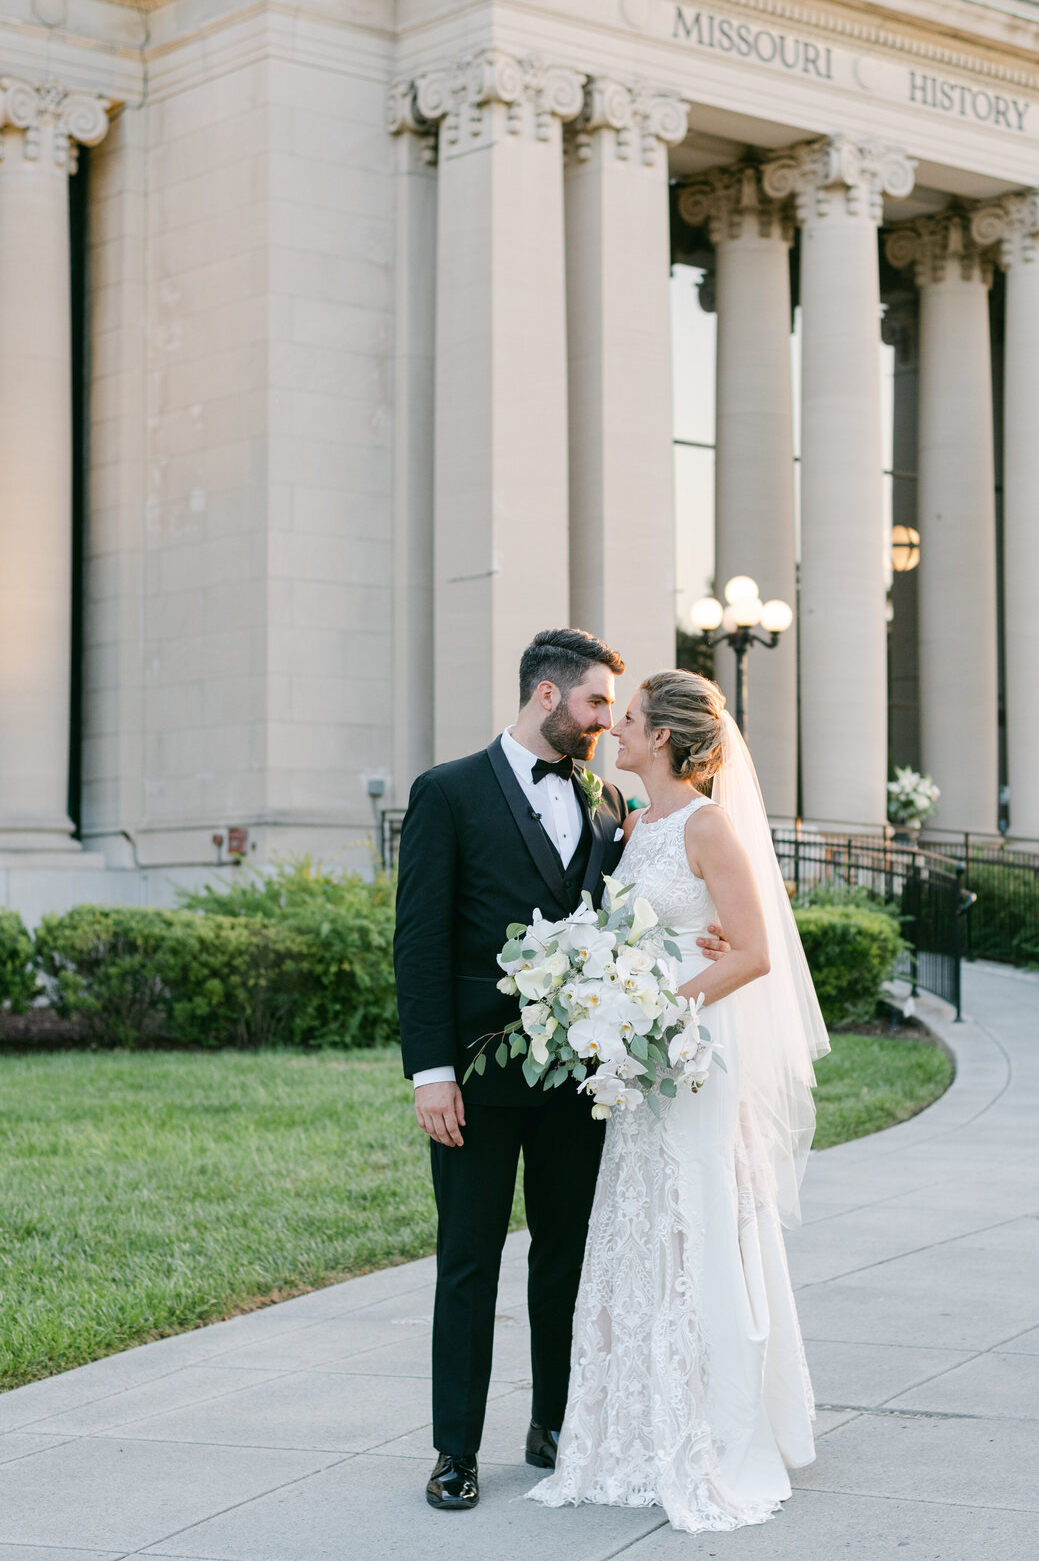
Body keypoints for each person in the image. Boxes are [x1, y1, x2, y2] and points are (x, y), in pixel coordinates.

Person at [393, 631, 730, 1513]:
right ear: (548, 697)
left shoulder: (613, 801)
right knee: (467, 1259)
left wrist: (705, 942)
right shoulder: (447, 792)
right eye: (593, 705)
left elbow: (637, 920)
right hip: (474, 1073)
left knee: (568, 1256)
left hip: (583, 1076)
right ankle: (455, 1450)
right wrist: (432, 1072)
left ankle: (553, 1423)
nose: (604, 722)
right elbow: (419, 944)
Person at [529, 670, 830, 1533]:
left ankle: (712, 1425)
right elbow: (657, 930)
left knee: (693, 1214)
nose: (613, 732)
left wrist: (660, 1012)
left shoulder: (708, 824)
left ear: (661, 736)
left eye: (625, 720)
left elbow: (755, 953)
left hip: (688, 1051)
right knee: (639, 1218)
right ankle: (629, 1425)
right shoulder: (637, 824)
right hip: (638, 1054)